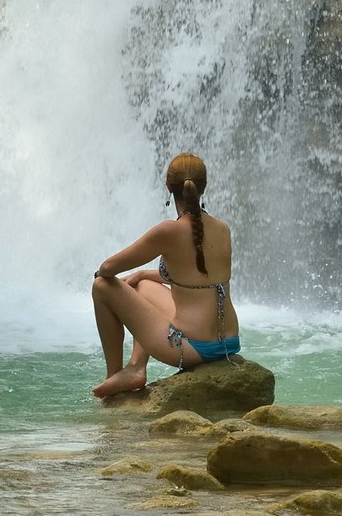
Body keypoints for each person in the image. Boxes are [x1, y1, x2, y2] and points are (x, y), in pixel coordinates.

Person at [90, 152, 242, 398]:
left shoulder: (168, 231)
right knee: (143, 286)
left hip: (191, 347)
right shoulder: (223, 228)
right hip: (229, 341)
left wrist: (104, 274)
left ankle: (114, 375)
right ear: (203, 186)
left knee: (101, 286)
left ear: (168, 187)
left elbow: (108, 268)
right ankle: (136, 367)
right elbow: (199, 279)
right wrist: (142, 274)